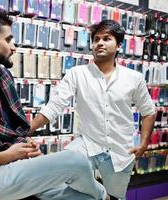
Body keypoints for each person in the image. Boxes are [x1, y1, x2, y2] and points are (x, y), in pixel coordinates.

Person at [0, 8, 108, 200]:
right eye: (8, 40)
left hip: (16, 168)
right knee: (77, 161)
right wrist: (8, 155)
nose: (14, 47)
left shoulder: (4, 77)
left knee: (84, 198)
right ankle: (105, 196)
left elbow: (14, 130)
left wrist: (25, 145)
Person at [30, 19, 156, 200]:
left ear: (119, 45)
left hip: (121, 151)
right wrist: (28, 128)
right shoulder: (77, 73)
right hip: (87, 144)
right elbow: (55, 106)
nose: (100, 43)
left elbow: (148, 111)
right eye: (96, 39)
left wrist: (143, 144)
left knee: (116, 197)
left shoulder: (134, 78)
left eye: (106, 39)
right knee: (64, 168)